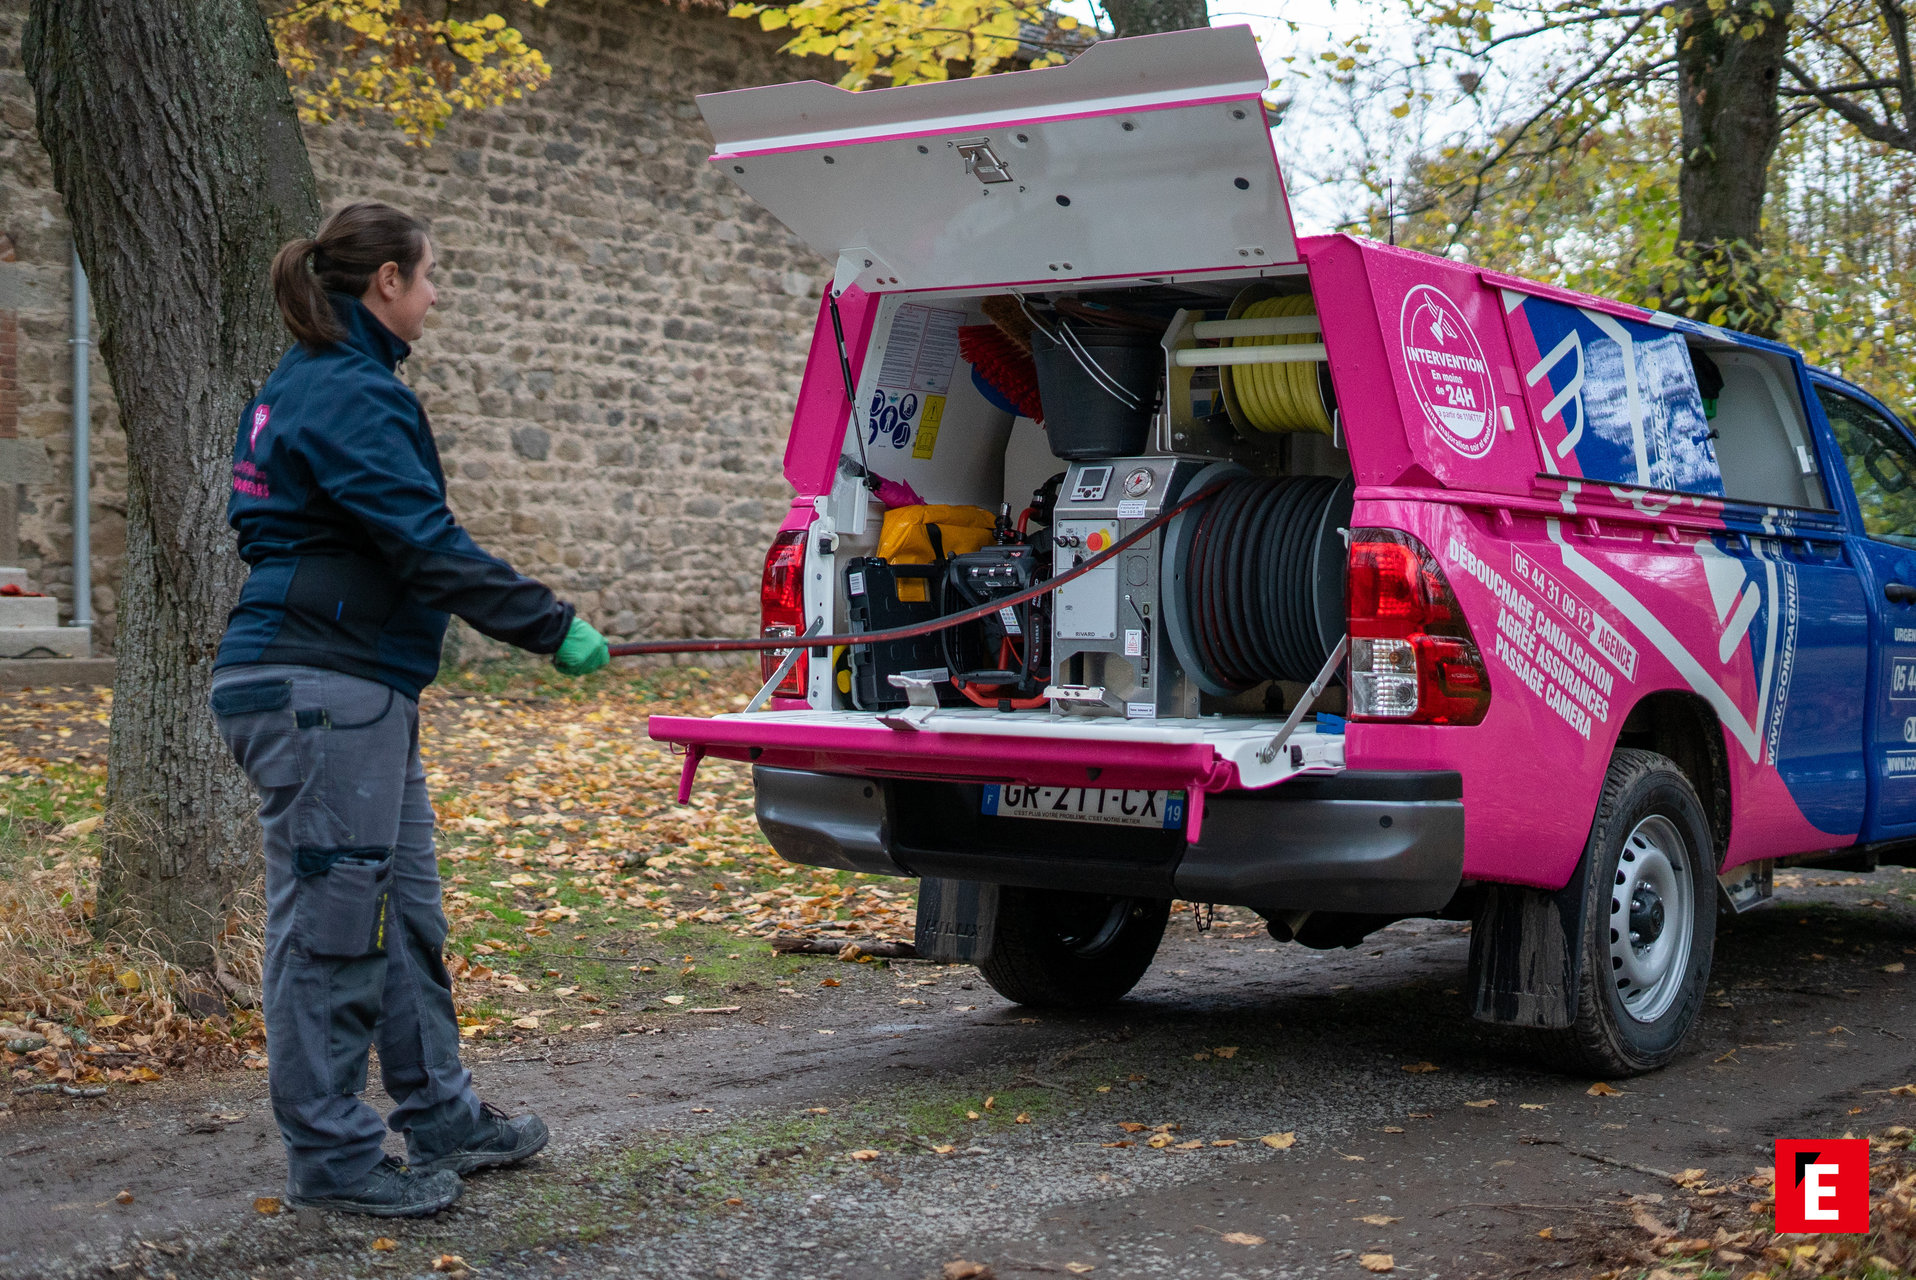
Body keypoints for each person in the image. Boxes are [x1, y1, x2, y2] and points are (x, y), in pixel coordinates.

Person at [209, 201, 611, 1217]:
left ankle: (440, 1113)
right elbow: (424, 544)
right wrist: (547, 623)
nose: (436, 296)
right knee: (335, 927)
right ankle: (335, 1158)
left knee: (406, 916)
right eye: (429, 275)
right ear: (384, 280)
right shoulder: (345, 392)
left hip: (355, 686)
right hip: (318, 689)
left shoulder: (320, 383)